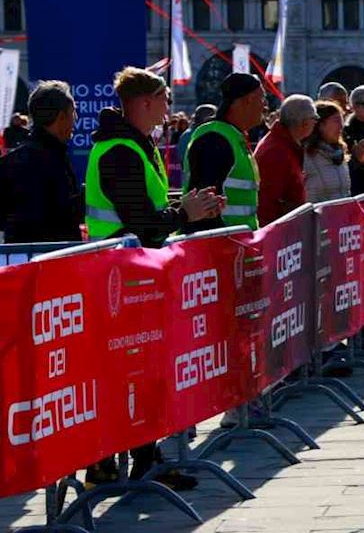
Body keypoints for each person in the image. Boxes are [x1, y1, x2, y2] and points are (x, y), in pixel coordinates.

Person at [84, 67, 222, 491]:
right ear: (144, 102)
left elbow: (147, 210)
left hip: (135, 276)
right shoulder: (121, 151)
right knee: (129, 372)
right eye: (164, 99)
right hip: (120, 281)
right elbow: (141, 222)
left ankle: (141, 459)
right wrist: (186, 214)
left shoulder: (133, 146)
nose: (168, 108)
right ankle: (115, 462)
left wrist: (184, 205)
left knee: (142, 372)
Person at [0, 81, 82, 242]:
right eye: (73, 112)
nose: (75, 119)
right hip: (56, 258)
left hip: (20, 260)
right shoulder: (56, 161)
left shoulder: (9, 162)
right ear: (61, 116)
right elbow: (64, 214)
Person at [183, 73, 266, 230]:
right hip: (219, 247)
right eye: (262, 99)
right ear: (248, 100)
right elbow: (204, 207)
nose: (265, 106)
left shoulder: (233, 135)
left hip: (237, 245)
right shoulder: (214, 139)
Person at [255, 94, 318, 226]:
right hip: (278, 235)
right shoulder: (275, 151)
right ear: (304, 123)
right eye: (315, 118)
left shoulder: (285, 145)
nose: (316, 123)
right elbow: (269, 203)